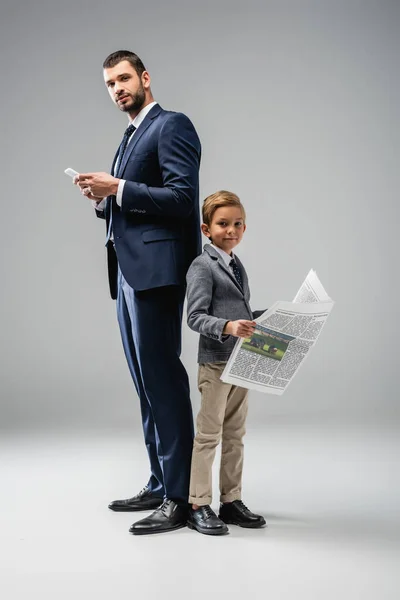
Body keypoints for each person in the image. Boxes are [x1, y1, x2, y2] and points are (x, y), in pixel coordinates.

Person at [74, 50, 201, 535]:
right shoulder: (130, 135)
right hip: (127, 273)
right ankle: (158, 480)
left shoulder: (171, 125)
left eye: (124, 78)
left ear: (145, 77)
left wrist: (119, 187)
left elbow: (183, 198)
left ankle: (179, 497)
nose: (117, 89)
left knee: (163, 382)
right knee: (146, 385)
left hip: (156, 274)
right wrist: (103, 198)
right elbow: (131, 200)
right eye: (109, 84)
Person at [185, 191, 266, 535]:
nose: (231, 230)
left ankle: (231, 501)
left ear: (244, 228)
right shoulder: (202, 266)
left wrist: (268, 318)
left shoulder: (235, 263)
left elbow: (240, 312)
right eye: (223, 224)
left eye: (237, 224)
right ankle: (198, 504)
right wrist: (227, 327)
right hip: (217, 363)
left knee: (235, 435)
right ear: (206, 229)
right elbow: (195, 317)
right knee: (208, 436)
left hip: (242, 361)